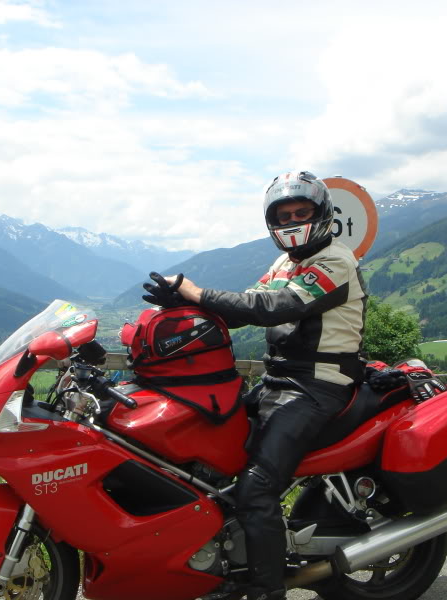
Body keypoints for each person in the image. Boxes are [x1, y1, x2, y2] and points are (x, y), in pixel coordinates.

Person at [153, 170, 368, 600]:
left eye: (301, 212)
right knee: (207, 454)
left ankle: (266, 590)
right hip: (278, 380)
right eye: (284, 215)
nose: (292, 221)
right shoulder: (285, 264)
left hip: (318, 386)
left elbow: (274, 306)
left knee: (257, 487)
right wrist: (180, 303)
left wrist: (197, 290)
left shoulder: (335, 261)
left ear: (322, 213)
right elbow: (245, 307)